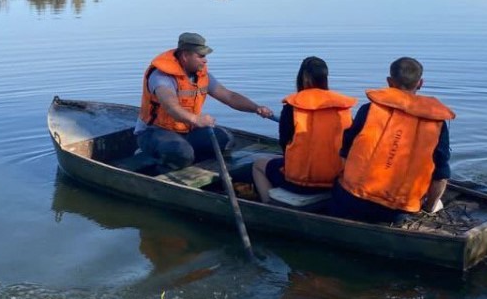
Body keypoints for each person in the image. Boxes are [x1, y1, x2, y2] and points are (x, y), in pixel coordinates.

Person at [332, 57, 454, 223]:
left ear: (389, 81)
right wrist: (428, 208)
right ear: (420, 83)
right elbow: (441, 176)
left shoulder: (368, 110)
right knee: (437, 199)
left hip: (352, 202)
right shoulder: (436, 123)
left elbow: (346, 152)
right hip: (398, 212)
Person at [136, 32, 274, 172]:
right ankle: (157, 166)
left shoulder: (201, 75)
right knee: (181, 153)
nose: (205, 60)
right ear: (185, 56)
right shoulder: (161, 77)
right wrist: (196, 119)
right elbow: (171, 107)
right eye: (201, 56)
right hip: (154, 132)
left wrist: (256, 108)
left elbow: (229, 96)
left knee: (226, 140)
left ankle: (190, 159)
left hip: (187, 130)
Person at [252, 56, 356, 203]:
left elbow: (284, 144)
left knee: (258, 165)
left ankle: (269, 206)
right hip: (337, 180)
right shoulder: (342, 107)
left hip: (301, 183)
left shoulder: (292, 107)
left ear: (305, 78)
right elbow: (350, 144)